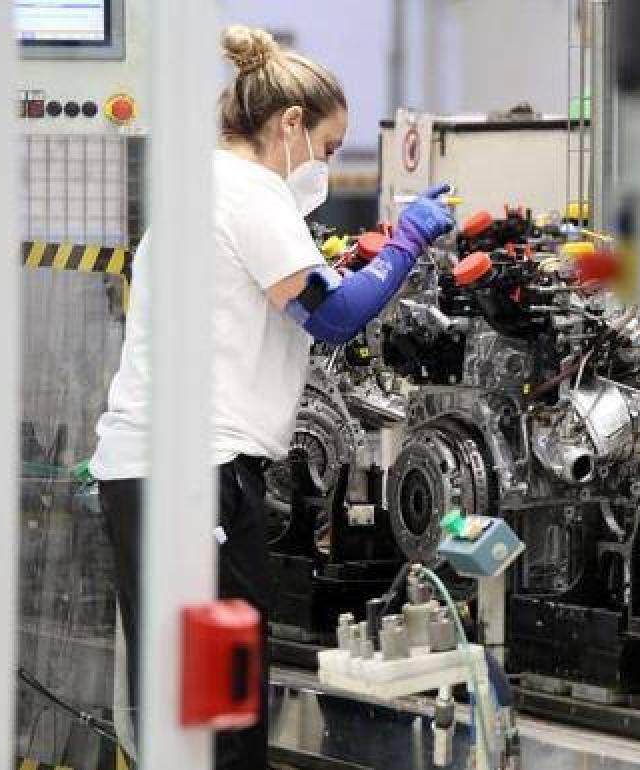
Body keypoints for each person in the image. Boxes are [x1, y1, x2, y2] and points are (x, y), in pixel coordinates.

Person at [89, 25, 454, 770]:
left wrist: (365, 258)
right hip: (195, 472)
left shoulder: (205, 187)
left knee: (181, 693)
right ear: (289, 124)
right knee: (224, 697)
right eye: (326, 147)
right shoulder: (248, 192)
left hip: (159, 469)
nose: (324, 164)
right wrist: (408, 243)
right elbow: (334, 314)